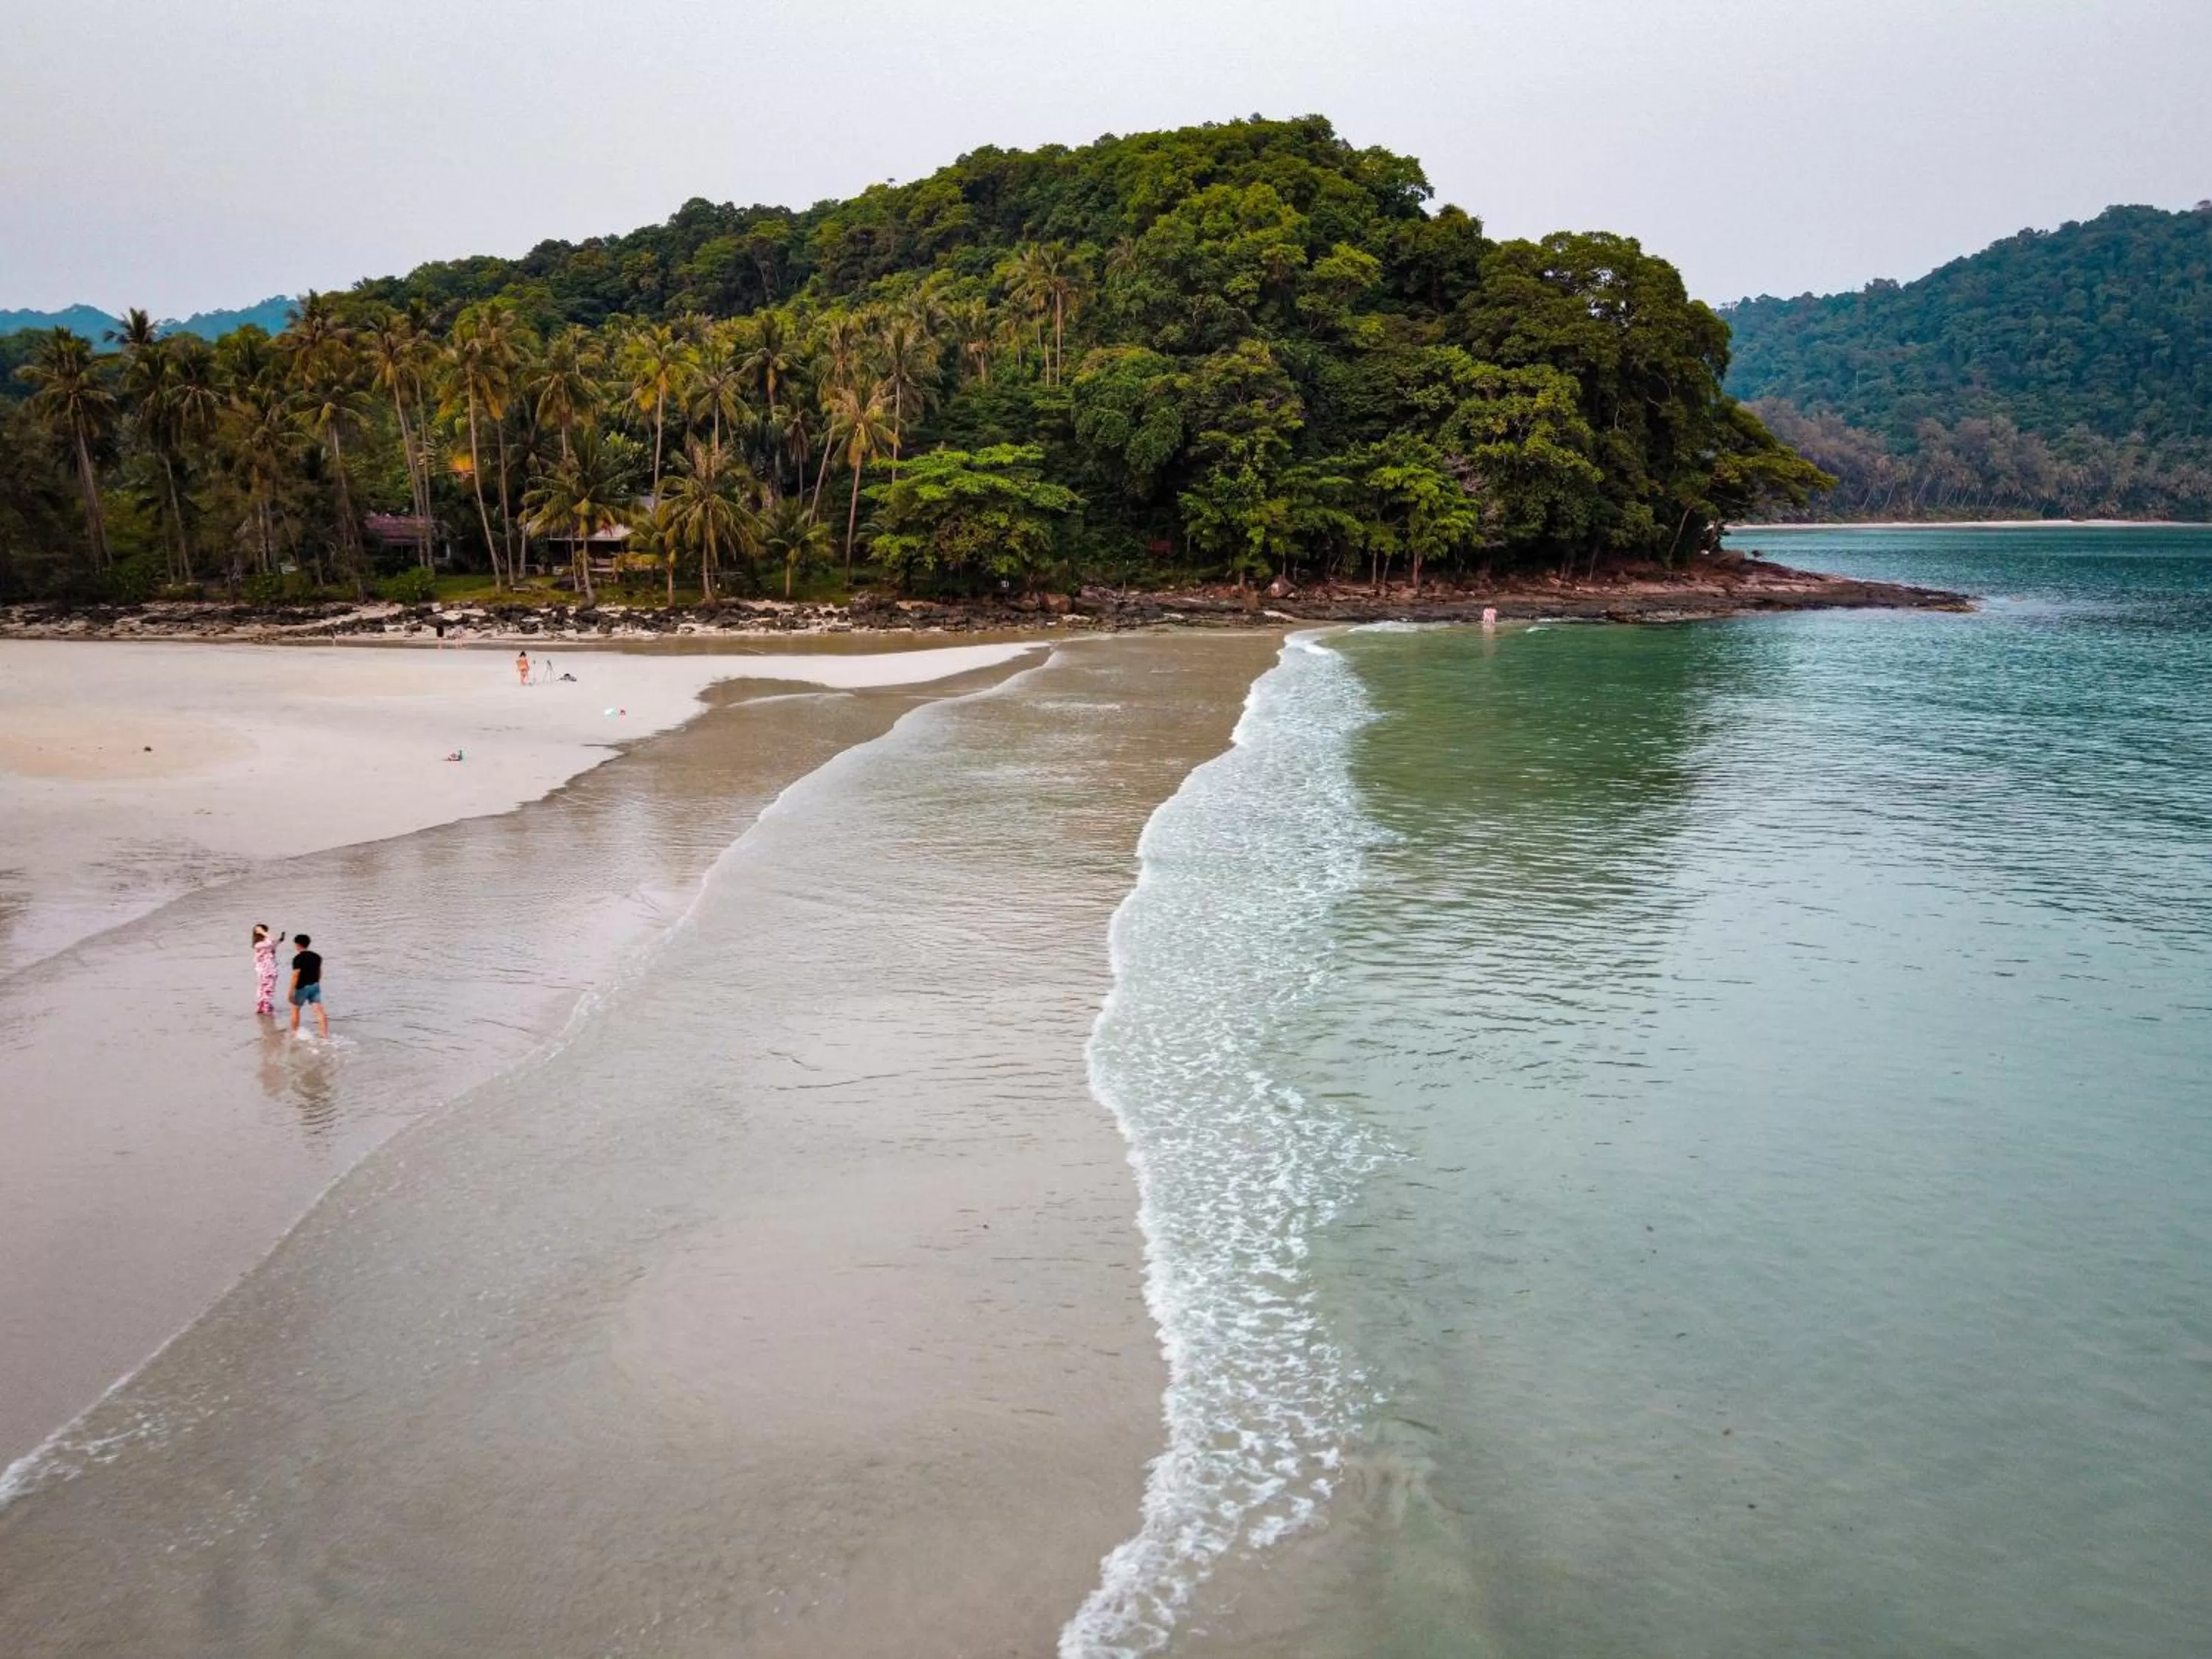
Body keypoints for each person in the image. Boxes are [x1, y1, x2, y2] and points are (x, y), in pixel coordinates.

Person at [288, 933, 327, 1038]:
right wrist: (317, 983)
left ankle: (294, 1033)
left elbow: (296, 975)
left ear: (298, 945)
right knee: (319, 1010)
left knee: (295, 1009)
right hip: (315, 985)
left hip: (301, 987)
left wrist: (291, 991)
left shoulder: (297, 958)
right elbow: (319, 971)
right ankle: (324, 1035)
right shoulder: (317, 957)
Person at [251, 922, 281, 1015]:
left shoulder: (263, 944)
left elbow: (273, 943)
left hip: (265, 970)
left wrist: (279, 941)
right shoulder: (260, 944)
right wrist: (262, 932)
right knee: (268, 988)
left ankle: (262, 1007)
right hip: (267, 970)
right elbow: (272, 940)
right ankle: (266, 1008)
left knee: (263, 988)